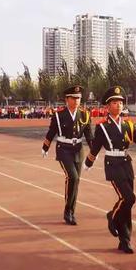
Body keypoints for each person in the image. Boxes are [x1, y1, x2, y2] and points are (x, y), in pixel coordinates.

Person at [84, 86, 136, 253]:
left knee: (127, 205)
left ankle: (125, 240)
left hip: (126, 163)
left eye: (120, 102)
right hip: (112, 163)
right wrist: (88, 162)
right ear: (107, 106)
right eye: (114, 102)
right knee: (129, 198)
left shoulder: (127, 124)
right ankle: (112, 215)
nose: (119, 105)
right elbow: (96, 147)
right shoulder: (103, 126)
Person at [42, 85, 93, 225]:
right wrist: (45, 147)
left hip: (78, 149)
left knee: (76, 181)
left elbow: (89, 136)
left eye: (79, 98)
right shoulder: (59, 116)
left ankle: (71, 211)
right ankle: (67, 211)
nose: (77, 101)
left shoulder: (85, 114)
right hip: (63, 149)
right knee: (73, 177)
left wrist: (93, 153)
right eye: (74, 98)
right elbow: (51, 132)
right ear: (67, 99)